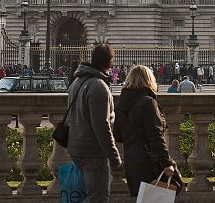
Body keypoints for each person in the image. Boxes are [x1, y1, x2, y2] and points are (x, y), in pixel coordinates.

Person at [66, 43, 122, 203]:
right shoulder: (98, 86)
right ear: (109, 62)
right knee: (98, 198)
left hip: (76, 147)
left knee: (90, 196)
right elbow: (101, 126)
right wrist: (114, 155)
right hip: (93, 151)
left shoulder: (77, 82)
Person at [114, 65, 177, 196]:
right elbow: (155, 135)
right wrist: (166, 162)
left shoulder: (121, 103)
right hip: (149, 163)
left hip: (131, 161)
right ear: (149, 80)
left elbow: (118, 135)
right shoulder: (148, 102)